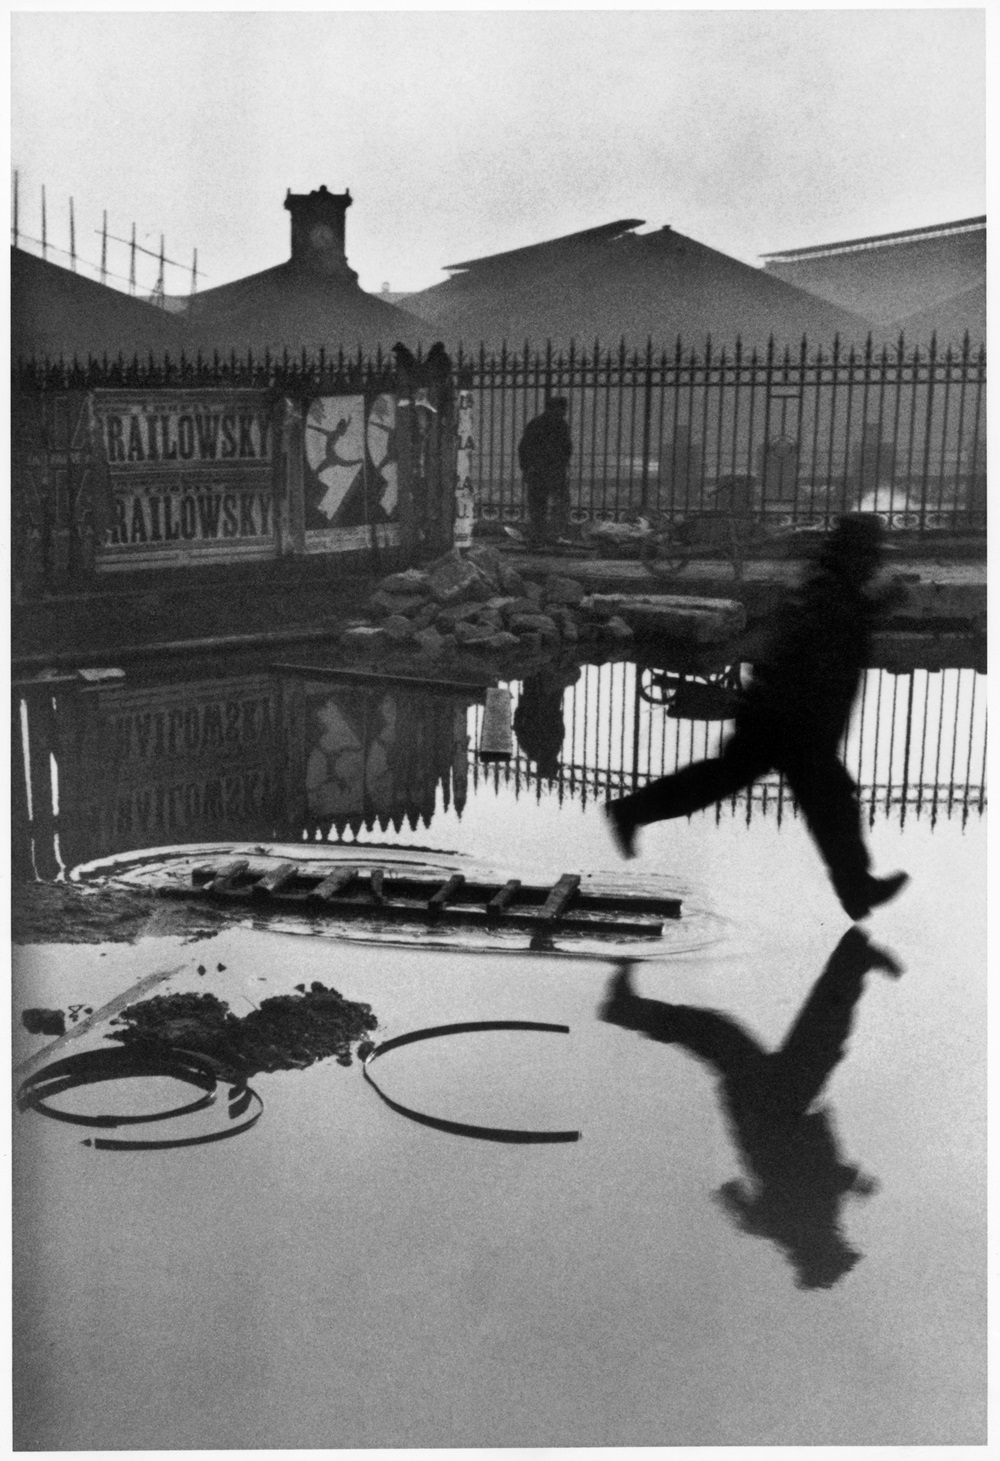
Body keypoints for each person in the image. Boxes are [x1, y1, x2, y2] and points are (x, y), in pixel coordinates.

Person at [605, 513, 909, 921]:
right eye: (871, 555)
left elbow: (828, 623)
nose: (875, 564)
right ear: (855, 555)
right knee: (830, 802)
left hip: (782, 717)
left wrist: (873, 605)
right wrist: (876, 605)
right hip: (791, 722)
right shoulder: (831, 594)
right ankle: (857, 889)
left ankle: (632, 811)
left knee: (738, 782)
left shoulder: (828, 585)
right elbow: (826, 635)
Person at [600, 931, 902, 1289]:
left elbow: (810, 1182)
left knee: (748, 1037)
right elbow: (744, 1201)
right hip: (777, 1109)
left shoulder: (803, 1225)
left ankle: (854, 957)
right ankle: (854, 958)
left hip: (771, 1111)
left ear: (823, 1250)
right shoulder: (793, 1226)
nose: (843, 1240)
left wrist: (852, 1182)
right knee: (807, 1035)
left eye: (840, 1249)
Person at [517, 397, 573, 546]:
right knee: (559, 503)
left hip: (538, 470)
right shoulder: (561, 425)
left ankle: (538, 535)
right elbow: (567, 448)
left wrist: (526, 468)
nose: (564, 412)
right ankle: (553, 535)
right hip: (552, 470)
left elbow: (523, 448)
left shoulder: (535, 424)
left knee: (538, 504)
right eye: (562, 409)